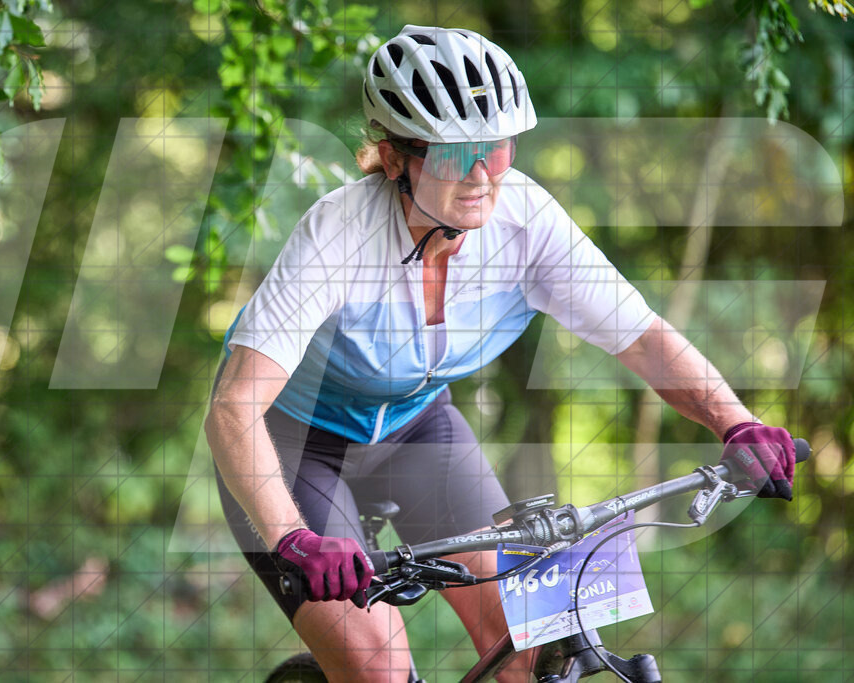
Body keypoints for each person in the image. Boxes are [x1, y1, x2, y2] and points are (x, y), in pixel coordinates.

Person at [204, 25, 797, 683]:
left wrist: (736, 422)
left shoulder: (527, 223)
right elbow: (233, 406)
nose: (483, 173)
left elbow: (645, 338)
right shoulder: (336, 233)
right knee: (376, 662)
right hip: (294, 442)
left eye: (498, 147)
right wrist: (292, 537)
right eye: (458, 154)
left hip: (417, 428)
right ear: (397, 156)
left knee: (533, 643)